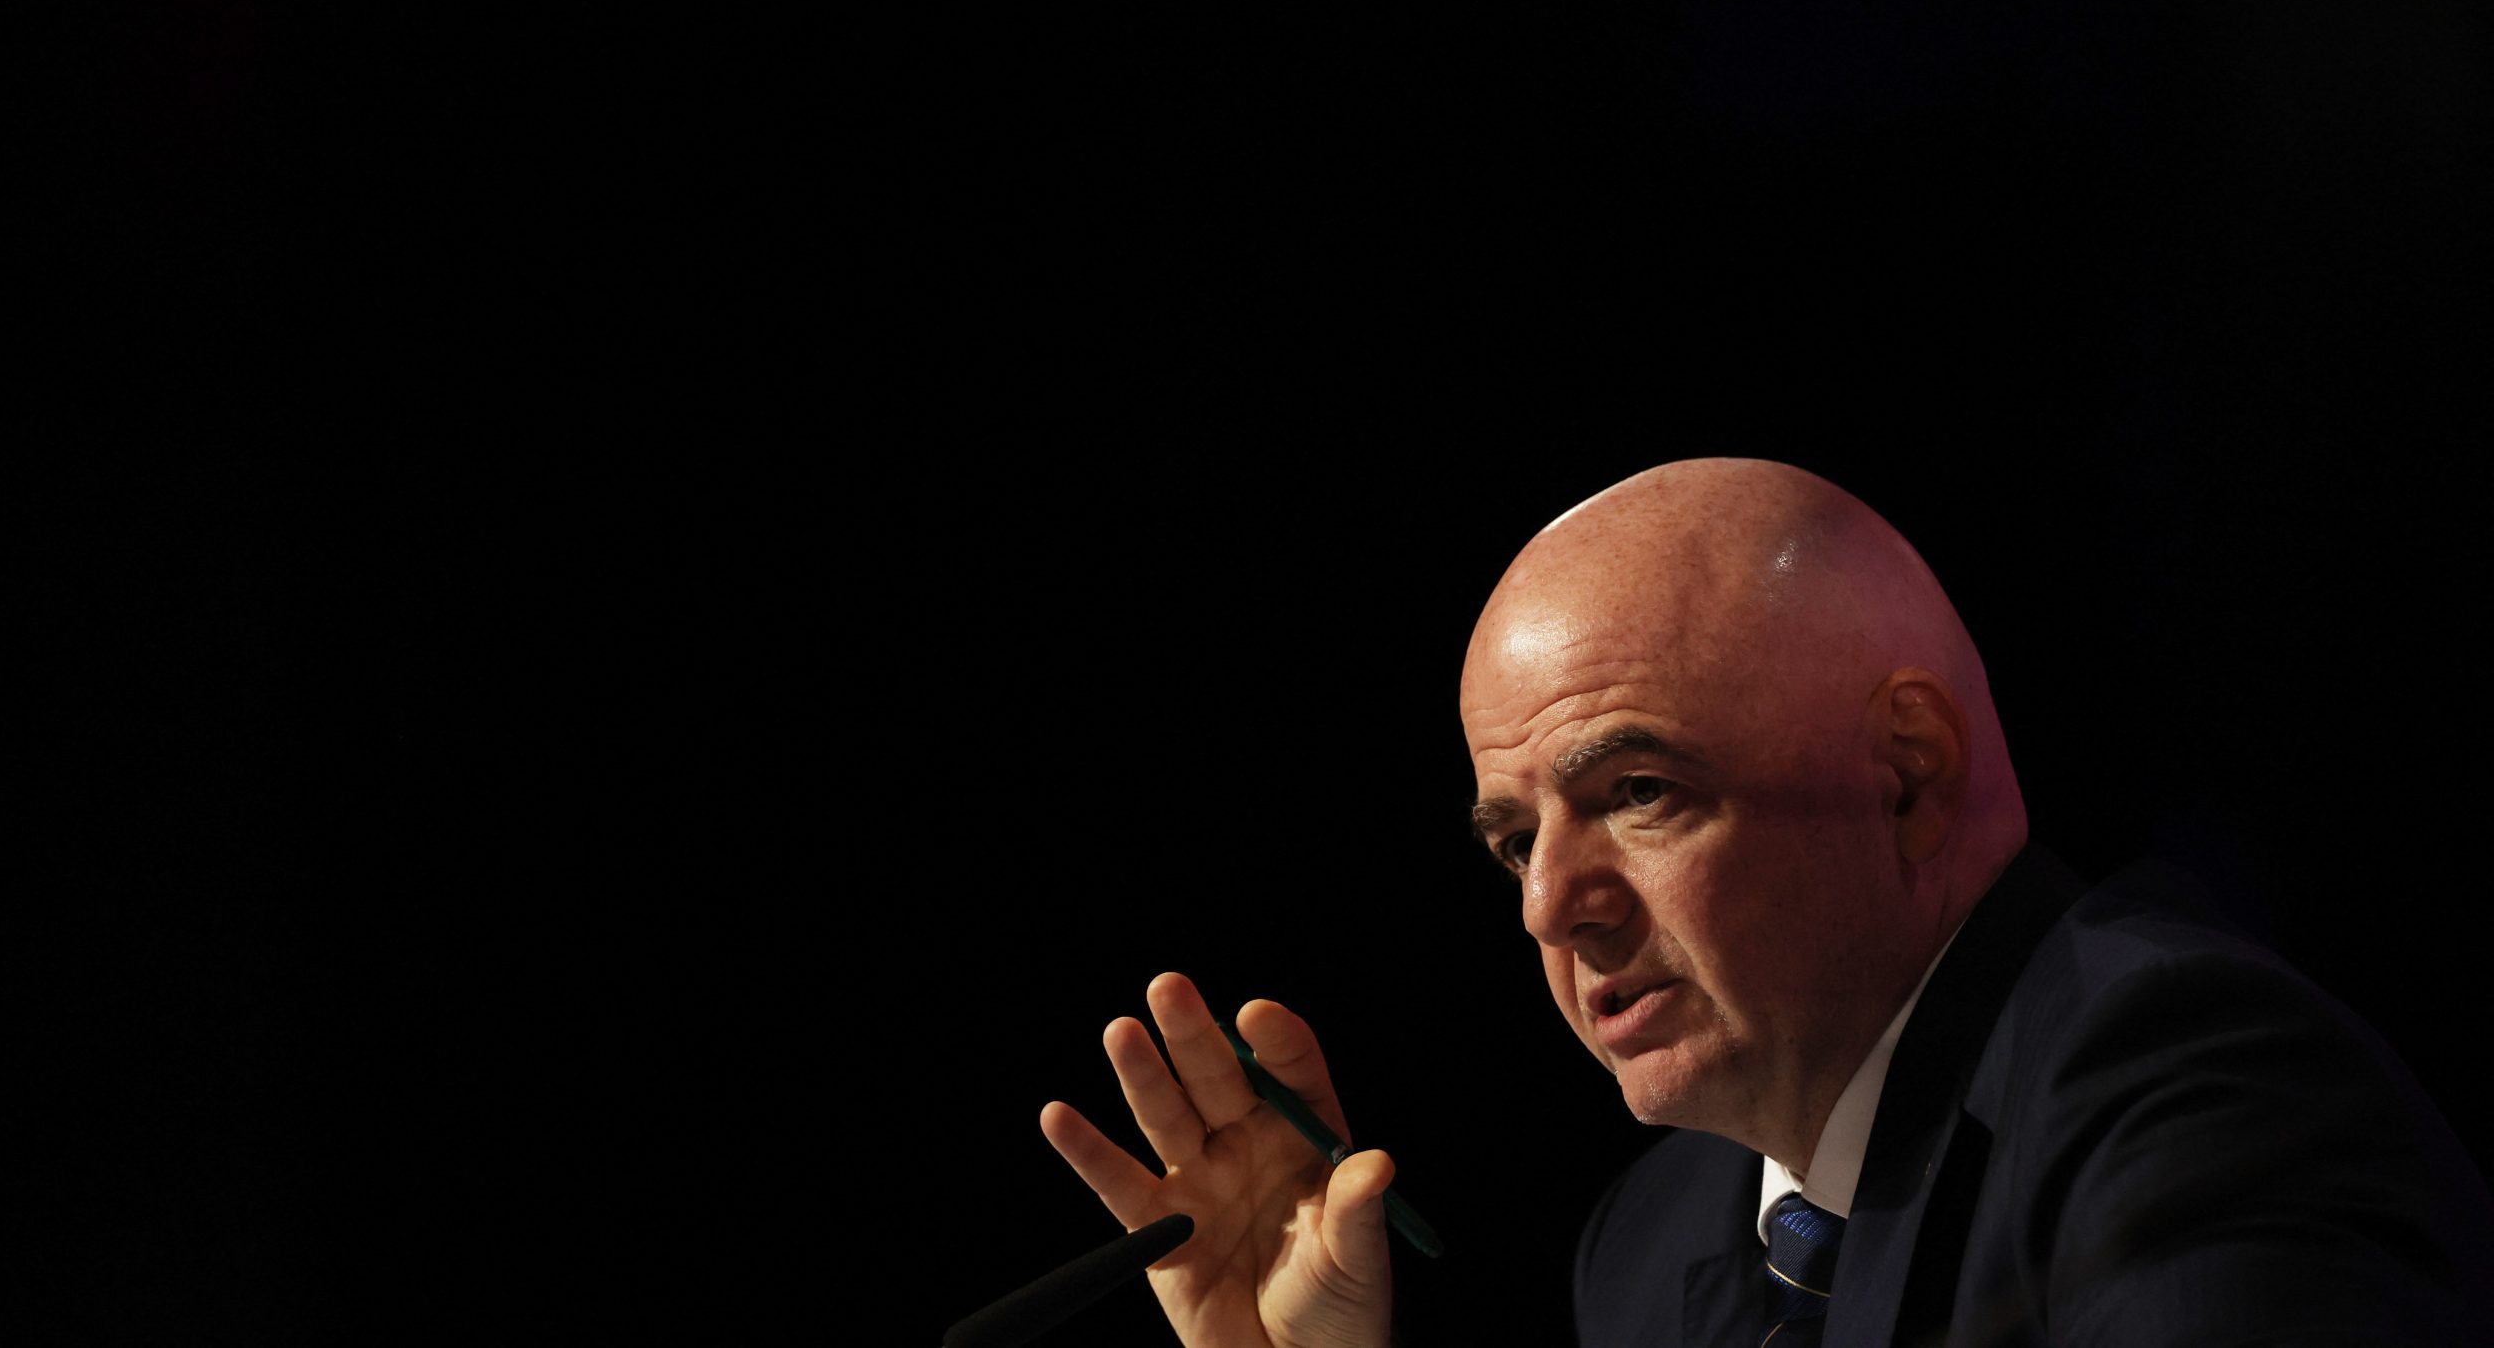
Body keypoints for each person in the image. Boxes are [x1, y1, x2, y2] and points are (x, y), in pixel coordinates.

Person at [1040, 460, 2491, 1346]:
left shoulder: (2181, 1093)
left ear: (1907, 775)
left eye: (1637, 793)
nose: (1551, 908)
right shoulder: (1656, 1240)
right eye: (1514, 841)